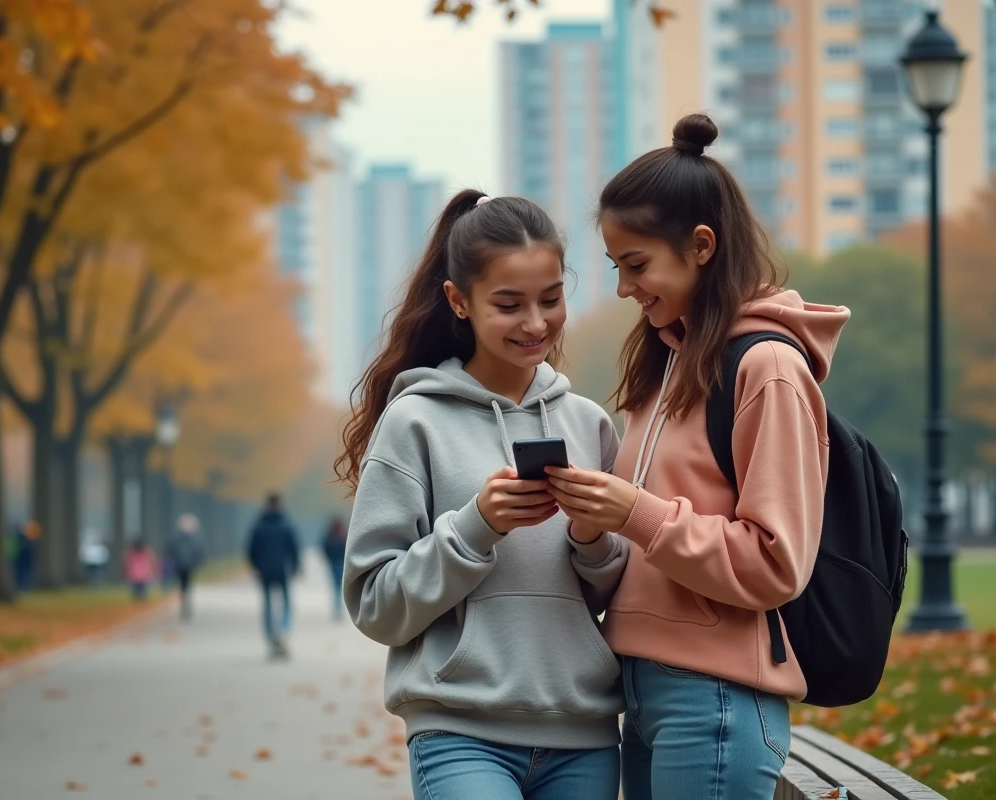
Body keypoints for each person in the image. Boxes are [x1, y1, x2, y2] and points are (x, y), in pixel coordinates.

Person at [544, 114, 848, 800]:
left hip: (716, 700)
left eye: (636, 264)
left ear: (701, 245)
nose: (625, 288)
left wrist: (639, 514)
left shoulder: (766, 366)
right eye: (617, 267)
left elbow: (777, 561)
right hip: (641, 693)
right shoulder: (667, 366)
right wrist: (592, 523)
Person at [337, 190, 628, 800]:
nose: (535, 323)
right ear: (458, 301)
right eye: (508, 304)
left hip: (585, 734)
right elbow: (375, 606)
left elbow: (611, 593)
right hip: (459, 730)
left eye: (551, 299)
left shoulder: (586, 423)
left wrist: (591, 537)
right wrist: (475, 528)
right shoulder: (414, 422)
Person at [246, 493, 300, 658]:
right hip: (283, 569)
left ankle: (271, 637)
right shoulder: (286, 524)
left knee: (268, 605)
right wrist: (296, 567)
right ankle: (283, 631)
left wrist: (255, 566)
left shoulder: (258, 525)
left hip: (264, 570)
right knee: (286, 603)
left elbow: (251, 550)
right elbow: (294, 548)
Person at [167, 513, 206, 621]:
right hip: (184, 565)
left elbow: (170, 550)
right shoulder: (192, 538)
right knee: (185, 585)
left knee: (184, 585)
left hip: (186, 565)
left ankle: (185, 601)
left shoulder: (177, 537)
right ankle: (185, 601)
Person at [320, 516, 347, 621]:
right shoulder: (343, 537)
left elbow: (325, 548)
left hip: (335, 563)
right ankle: (338, 608)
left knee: (336, 587)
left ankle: (337, 608)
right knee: (338, 586)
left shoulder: (330, 537)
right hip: (339, 563)